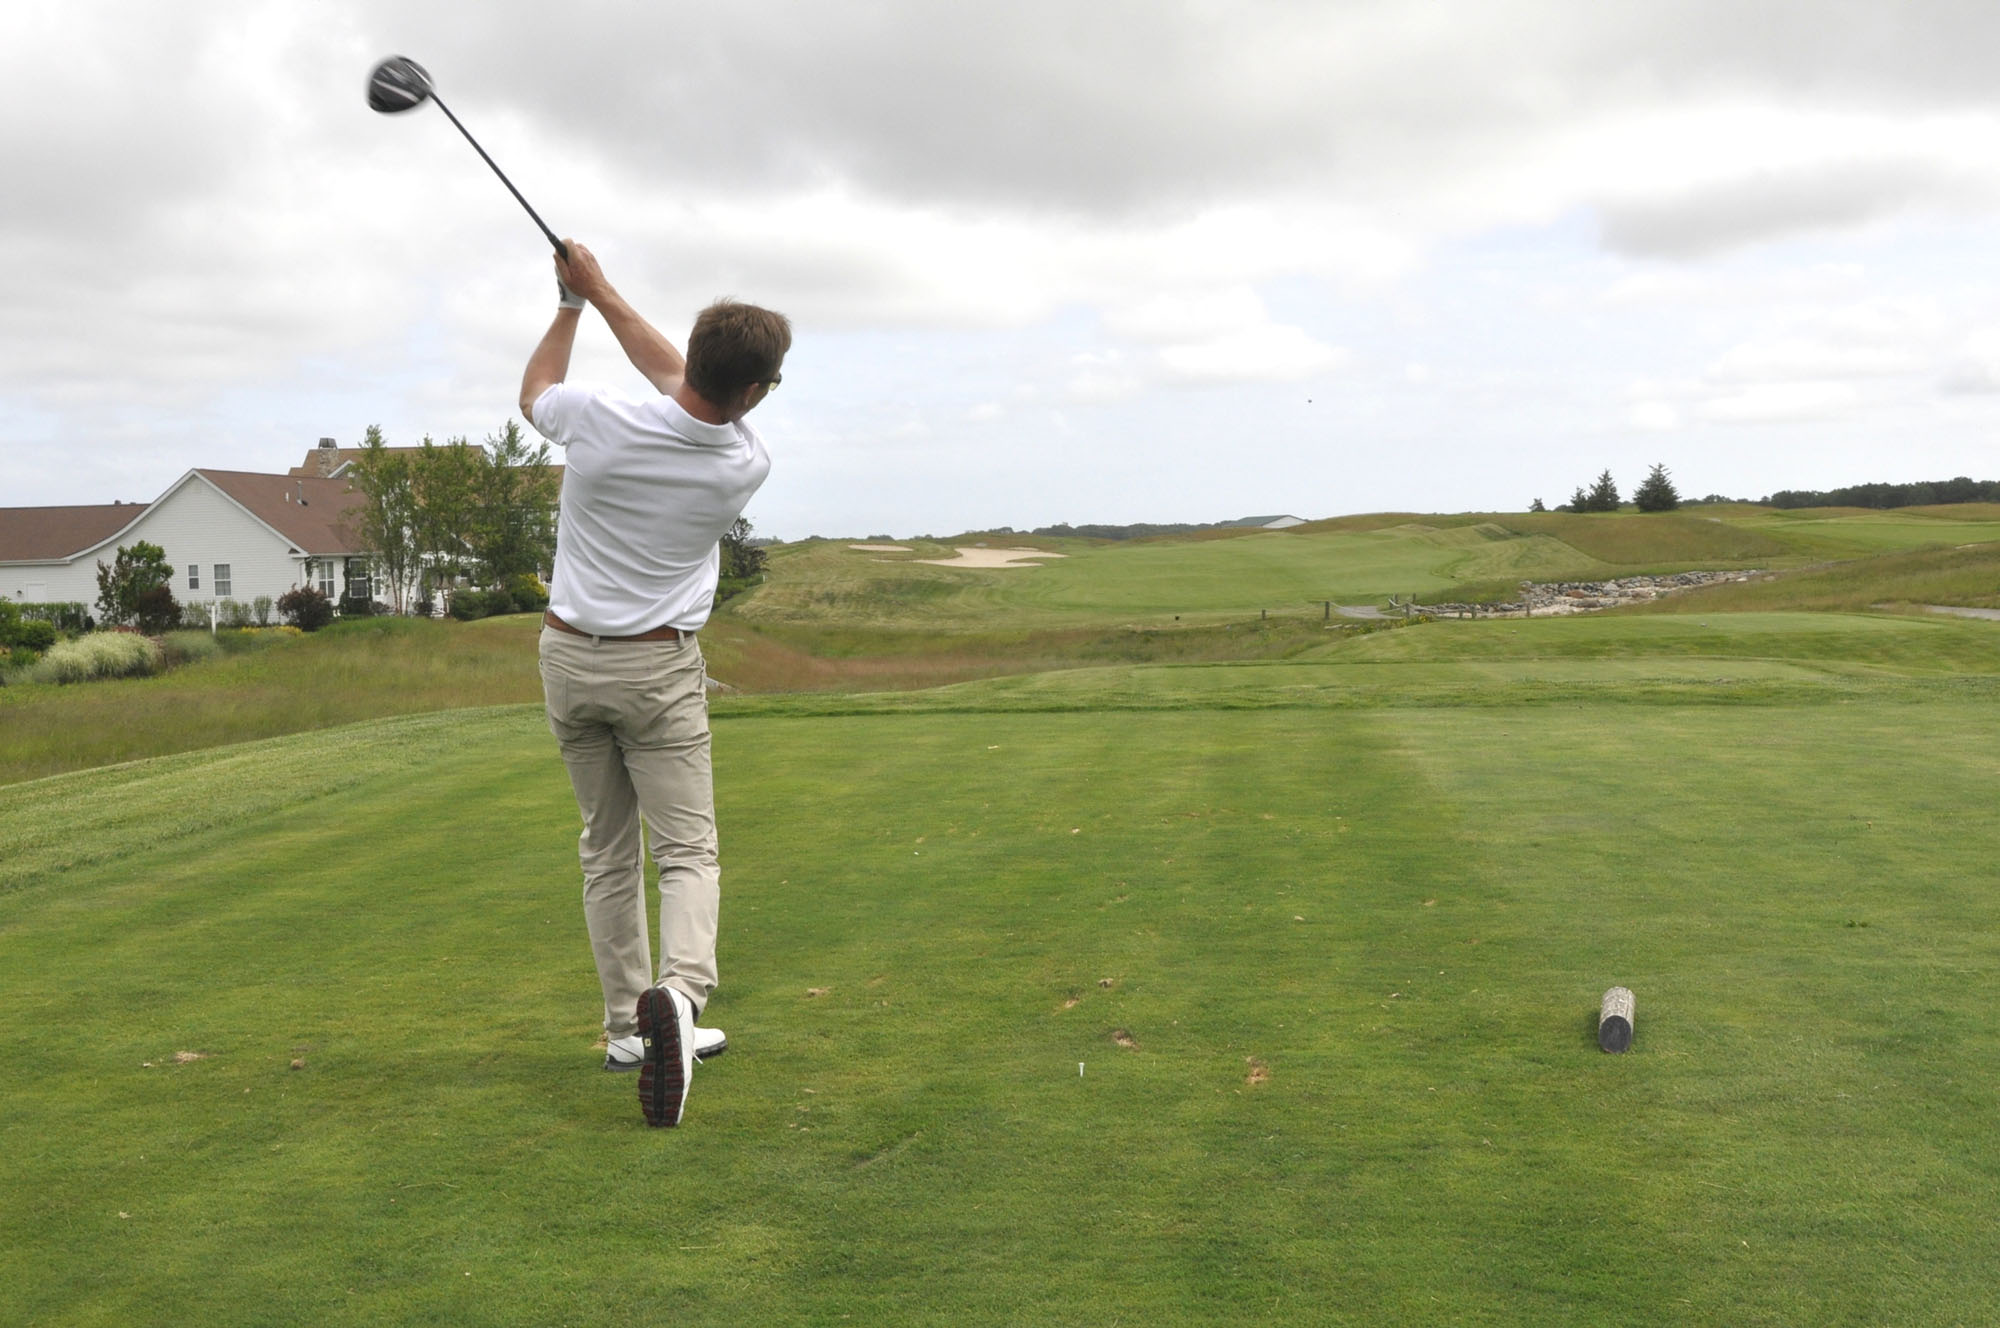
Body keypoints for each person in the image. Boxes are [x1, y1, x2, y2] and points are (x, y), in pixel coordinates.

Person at [520, 240, 790, 1128]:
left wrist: (574, 302)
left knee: (606, 847)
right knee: (687, 850)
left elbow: (534, 397)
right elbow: (688, 378)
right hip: (658, 668)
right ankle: (678, 996)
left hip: (567, 659)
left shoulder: (597, 419)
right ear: (752, 392)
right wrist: (597, 292)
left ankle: (626, 1028)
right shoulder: (744, 462)